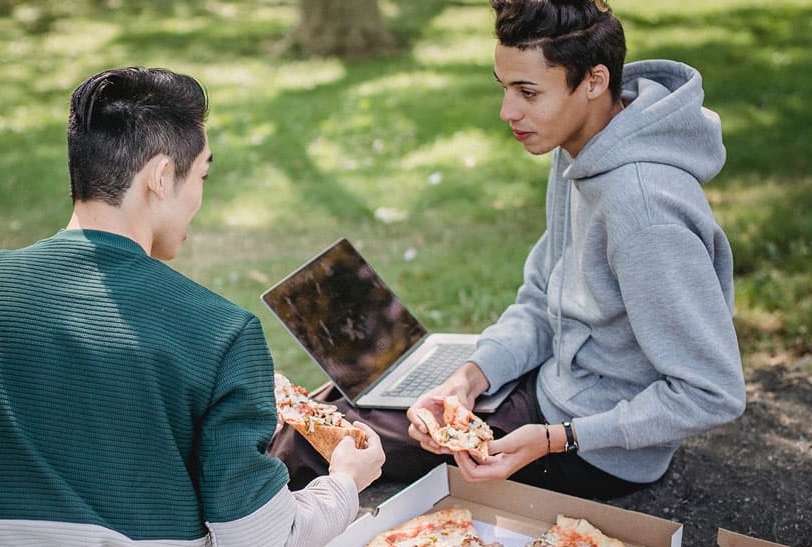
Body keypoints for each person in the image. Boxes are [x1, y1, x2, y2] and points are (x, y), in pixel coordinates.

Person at [0, 66, 385, 547]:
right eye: (202, 175)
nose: (200, 200)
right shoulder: (221, 333)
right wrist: (344, 482)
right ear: (161, 177)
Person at [270, 0, 744, 501]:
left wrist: (555, 439)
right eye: (505, 88)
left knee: (316, 436)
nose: (507, 112)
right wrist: (470, 377)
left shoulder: (644, 212)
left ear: (594, 81)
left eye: (528, 92)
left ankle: (234, 519)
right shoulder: (582, 147)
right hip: (555, 390)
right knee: (340, 398)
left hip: (591, 450)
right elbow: (542, 300)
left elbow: (711, 392)